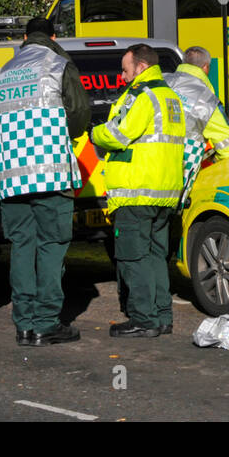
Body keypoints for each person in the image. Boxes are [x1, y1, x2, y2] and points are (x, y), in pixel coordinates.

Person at [0, 17, 91, 346]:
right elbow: (79, 117)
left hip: (11, 177)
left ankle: (24, 324)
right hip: (50, 172)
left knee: (21, 248)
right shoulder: (58, 64)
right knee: (50, 247)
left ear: (23, 38)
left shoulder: (2, 73)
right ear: (53, 36)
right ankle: (46, 323)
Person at [91, 44, 185, 339]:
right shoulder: (171, 97)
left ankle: (144, 319)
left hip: (136, 191)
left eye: (125, 69)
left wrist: (94, 132)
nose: (122, 76)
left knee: (133, 257)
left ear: (141, 67)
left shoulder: (140, 95)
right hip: (164, 191)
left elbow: (118, 134)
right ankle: (161, 317)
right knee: (156, 256)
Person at [163, 46, 229, 204]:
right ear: (206, 67)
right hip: (174, 181)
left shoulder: (161, 80)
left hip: (140, 176)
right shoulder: (205, 100)